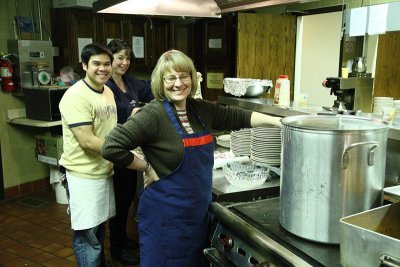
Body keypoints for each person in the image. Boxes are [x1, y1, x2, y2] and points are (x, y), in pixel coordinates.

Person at [101, 49, 282, 267]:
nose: (178, 83)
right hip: (164, 218)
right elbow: (112, 147)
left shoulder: (200, 109)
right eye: (171, 77)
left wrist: (279, 122)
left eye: (184, 76)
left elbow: (238, 116)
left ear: (192, 78)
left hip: (196, 216)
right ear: (161, 80)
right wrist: (146, 167)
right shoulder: (152, 113)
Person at [58, 43, 117, 267]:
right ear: (84, 65)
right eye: (96, 64)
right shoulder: (75, 96)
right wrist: (125, 155)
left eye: (106, 64)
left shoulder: (108, 91)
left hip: (103, 171)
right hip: (82, 174)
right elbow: (87, 140)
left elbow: (109, 131)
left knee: (99, 228)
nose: (103, 68)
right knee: (87, 236)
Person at [105, 39, 154, 265]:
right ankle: (116, 247)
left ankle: (123, 238)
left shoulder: (130, 82)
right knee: (119, 201)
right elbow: (114, 116)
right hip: (116, 150)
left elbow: (152, 90)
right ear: (110, 59)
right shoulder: (106, 87)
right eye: (120, 58)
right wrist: (132, 112)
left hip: (131, 148)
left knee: (126, 198)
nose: (125, 63)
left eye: (127, 58)